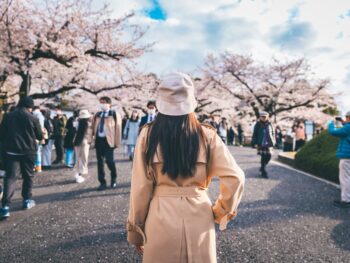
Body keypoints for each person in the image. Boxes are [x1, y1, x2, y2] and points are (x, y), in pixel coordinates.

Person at [127, 72, 245, 262]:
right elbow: (236, 177)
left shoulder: (147, 135)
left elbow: (140, 188)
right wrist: (220, 211)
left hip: (160, 215)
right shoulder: (207, 135)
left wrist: (136, 231)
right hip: (199, 213)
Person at [0, 97, 43, 220]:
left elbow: (1, 134)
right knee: (28, 176)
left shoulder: (8, 116)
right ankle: (26, 200)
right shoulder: (33, 118)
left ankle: (5, 207)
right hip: (29, 152)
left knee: (10, 177)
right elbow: (39, 136)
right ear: (30, 107)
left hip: (12, 151)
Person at [91, 96, 122, 190]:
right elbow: (92, 128)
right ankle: (102, 182)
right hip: (99, 141)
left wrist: (117, 143)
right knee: (100, 163)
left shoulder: (114, 114)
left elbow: (118, 129)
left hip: (109, 141)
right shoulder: (97, 115)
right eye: (101, 102)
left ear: (109, 104)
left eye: (104, 102)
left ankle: (114, 178)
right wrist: (91, 140)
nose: (102, 104)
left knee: (109, 161)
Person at [328, 112, 350, 208]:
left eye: (347, 117)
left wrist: (331, 123)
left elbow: (334, 132)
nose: (345, 119)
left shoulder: (348, 127)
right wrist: (343, 123)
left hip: (346, 157)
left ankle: (346, 200)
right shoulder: (347, 127)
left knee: (345, 178)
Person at [252, 111, 276, 178]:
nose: (264, 118)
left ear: (267, 117)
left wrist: (274, 141)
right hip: (261, 143)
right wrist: (255, 143)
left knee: (269, 156)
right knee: (263, 156)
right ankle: (263, 171)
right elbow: (255, 134)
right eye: (262, 117)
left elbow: (273, 132)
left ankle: (263, 167)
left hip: (269, 143)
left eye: (265, 117)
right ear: (260, 117)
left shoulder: (270, 124)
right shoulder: (258, 124)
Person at [73, 110, 92, 184]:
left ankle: (77, 173)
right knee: (83, 158)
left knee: (78, 158)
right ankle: (79, 174)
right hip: (83, 141)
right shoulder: (85, 123)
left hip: (77, 141)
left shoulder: (77, 123)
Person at [33, 106, 45, 173]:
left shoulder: (34, 115)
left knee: (35, 152)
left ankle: (35, 167)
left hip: (35, 136)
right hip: (40, 135)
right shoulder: (41, 116)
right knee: (38, 152)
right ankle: (39, 167)